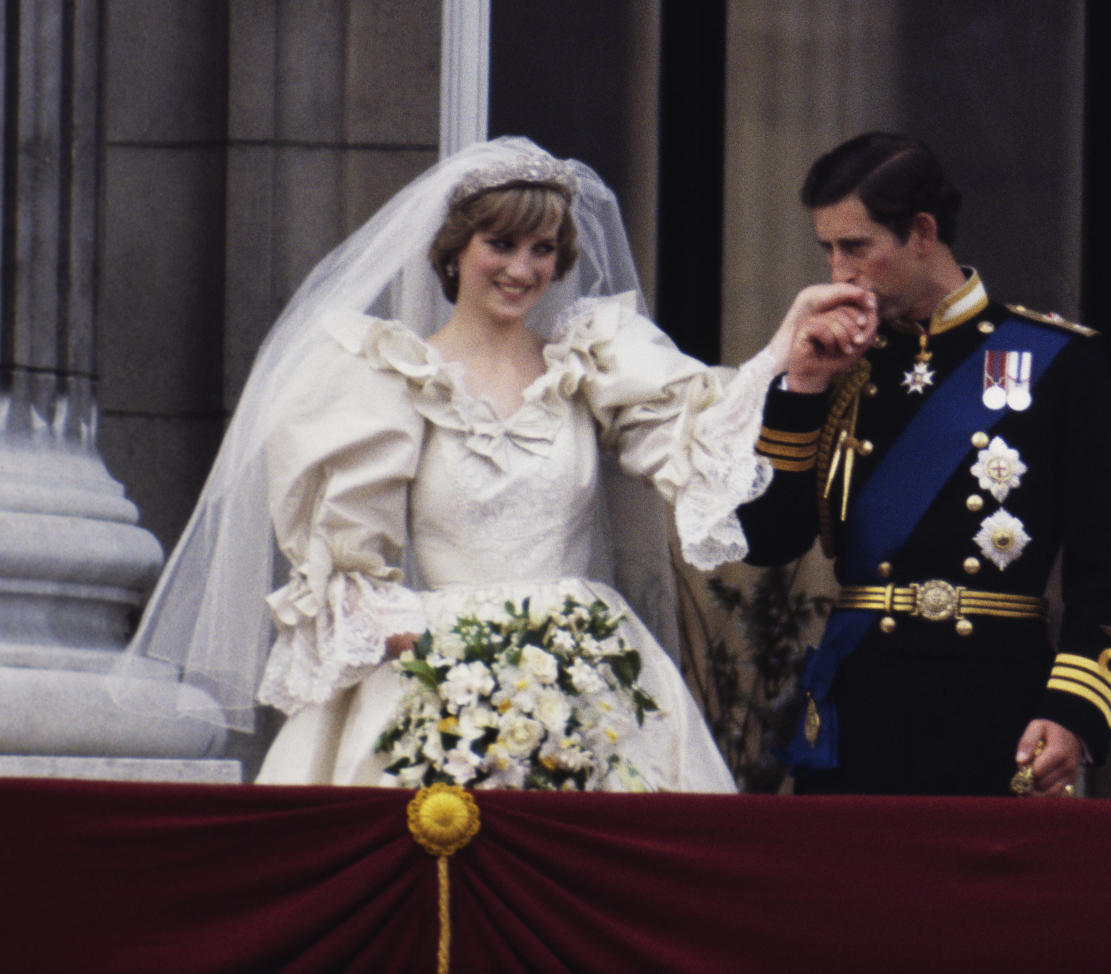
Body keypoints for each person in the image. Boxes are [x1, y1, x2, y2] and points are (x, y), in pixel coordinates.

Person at [114, 137, 868, 792]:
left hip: (591, 671)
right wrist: (451, 667)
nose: (522, 268)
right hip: (439, 673)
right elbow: (349, 570)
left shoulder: (591, 362)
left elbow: (700, 440)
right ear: (453, 250)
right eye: (500, 245)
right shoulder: (385, 377)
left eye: (542, 249)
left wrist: (782, 358)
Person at [738, 132, 1111, 797]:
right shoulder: (834, 363)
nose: (837, 272)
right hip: (859, 701)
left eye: (855, 247)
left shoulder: (1057, 361)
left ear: (921, 233)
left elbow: (1107, 573)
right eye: (828, 250)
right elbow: (766, 541)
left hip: (996, 702)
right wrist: (799, 390)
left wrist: (1070, 711)